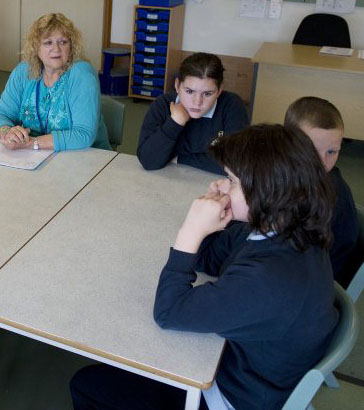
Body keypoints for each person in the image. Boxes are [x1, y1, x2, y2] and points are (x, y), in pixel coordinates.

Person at [70, 124, 338, 410]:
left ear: (265, 191)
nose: (222, 186)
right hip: (253, 367)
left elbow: (168, 312)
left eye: (231, 180)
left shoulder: (265, 279)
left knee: (88, 385)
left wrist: (191, 232)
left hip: (232, 396)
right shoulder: (286, 229)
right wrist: (212, 221)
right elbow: (208, 258)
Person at [0, 13, 110, 152]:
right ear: (36, 47)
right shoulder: (23, 72)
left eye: (63, 42)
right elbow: (3, 113)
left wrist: (31, 143)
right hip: (31, 157)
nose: (57, 49)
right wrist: (6, 132)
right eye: (48, 43)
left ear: (71, 46)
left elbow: (84, 134)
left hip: (83, 156)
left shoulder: (82, 75)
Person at [284, 96, 358, 288]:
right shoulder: (291, 174)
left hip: (318, 283)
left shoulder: (327, 197)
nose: (322, 162)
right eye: (312, 150)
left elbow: (293, 255)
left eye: (332, 152)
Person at [136, 52, 249, 175]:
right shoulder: (162, 105)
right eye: (189, 91)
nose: (197, 102)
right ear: (177, 85)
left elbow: (238, 165)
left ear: (219, 90)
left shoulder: (232, 106)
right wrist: (174, 123)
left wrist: (180, 158)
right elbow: (148, 161)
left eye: (207, 94)